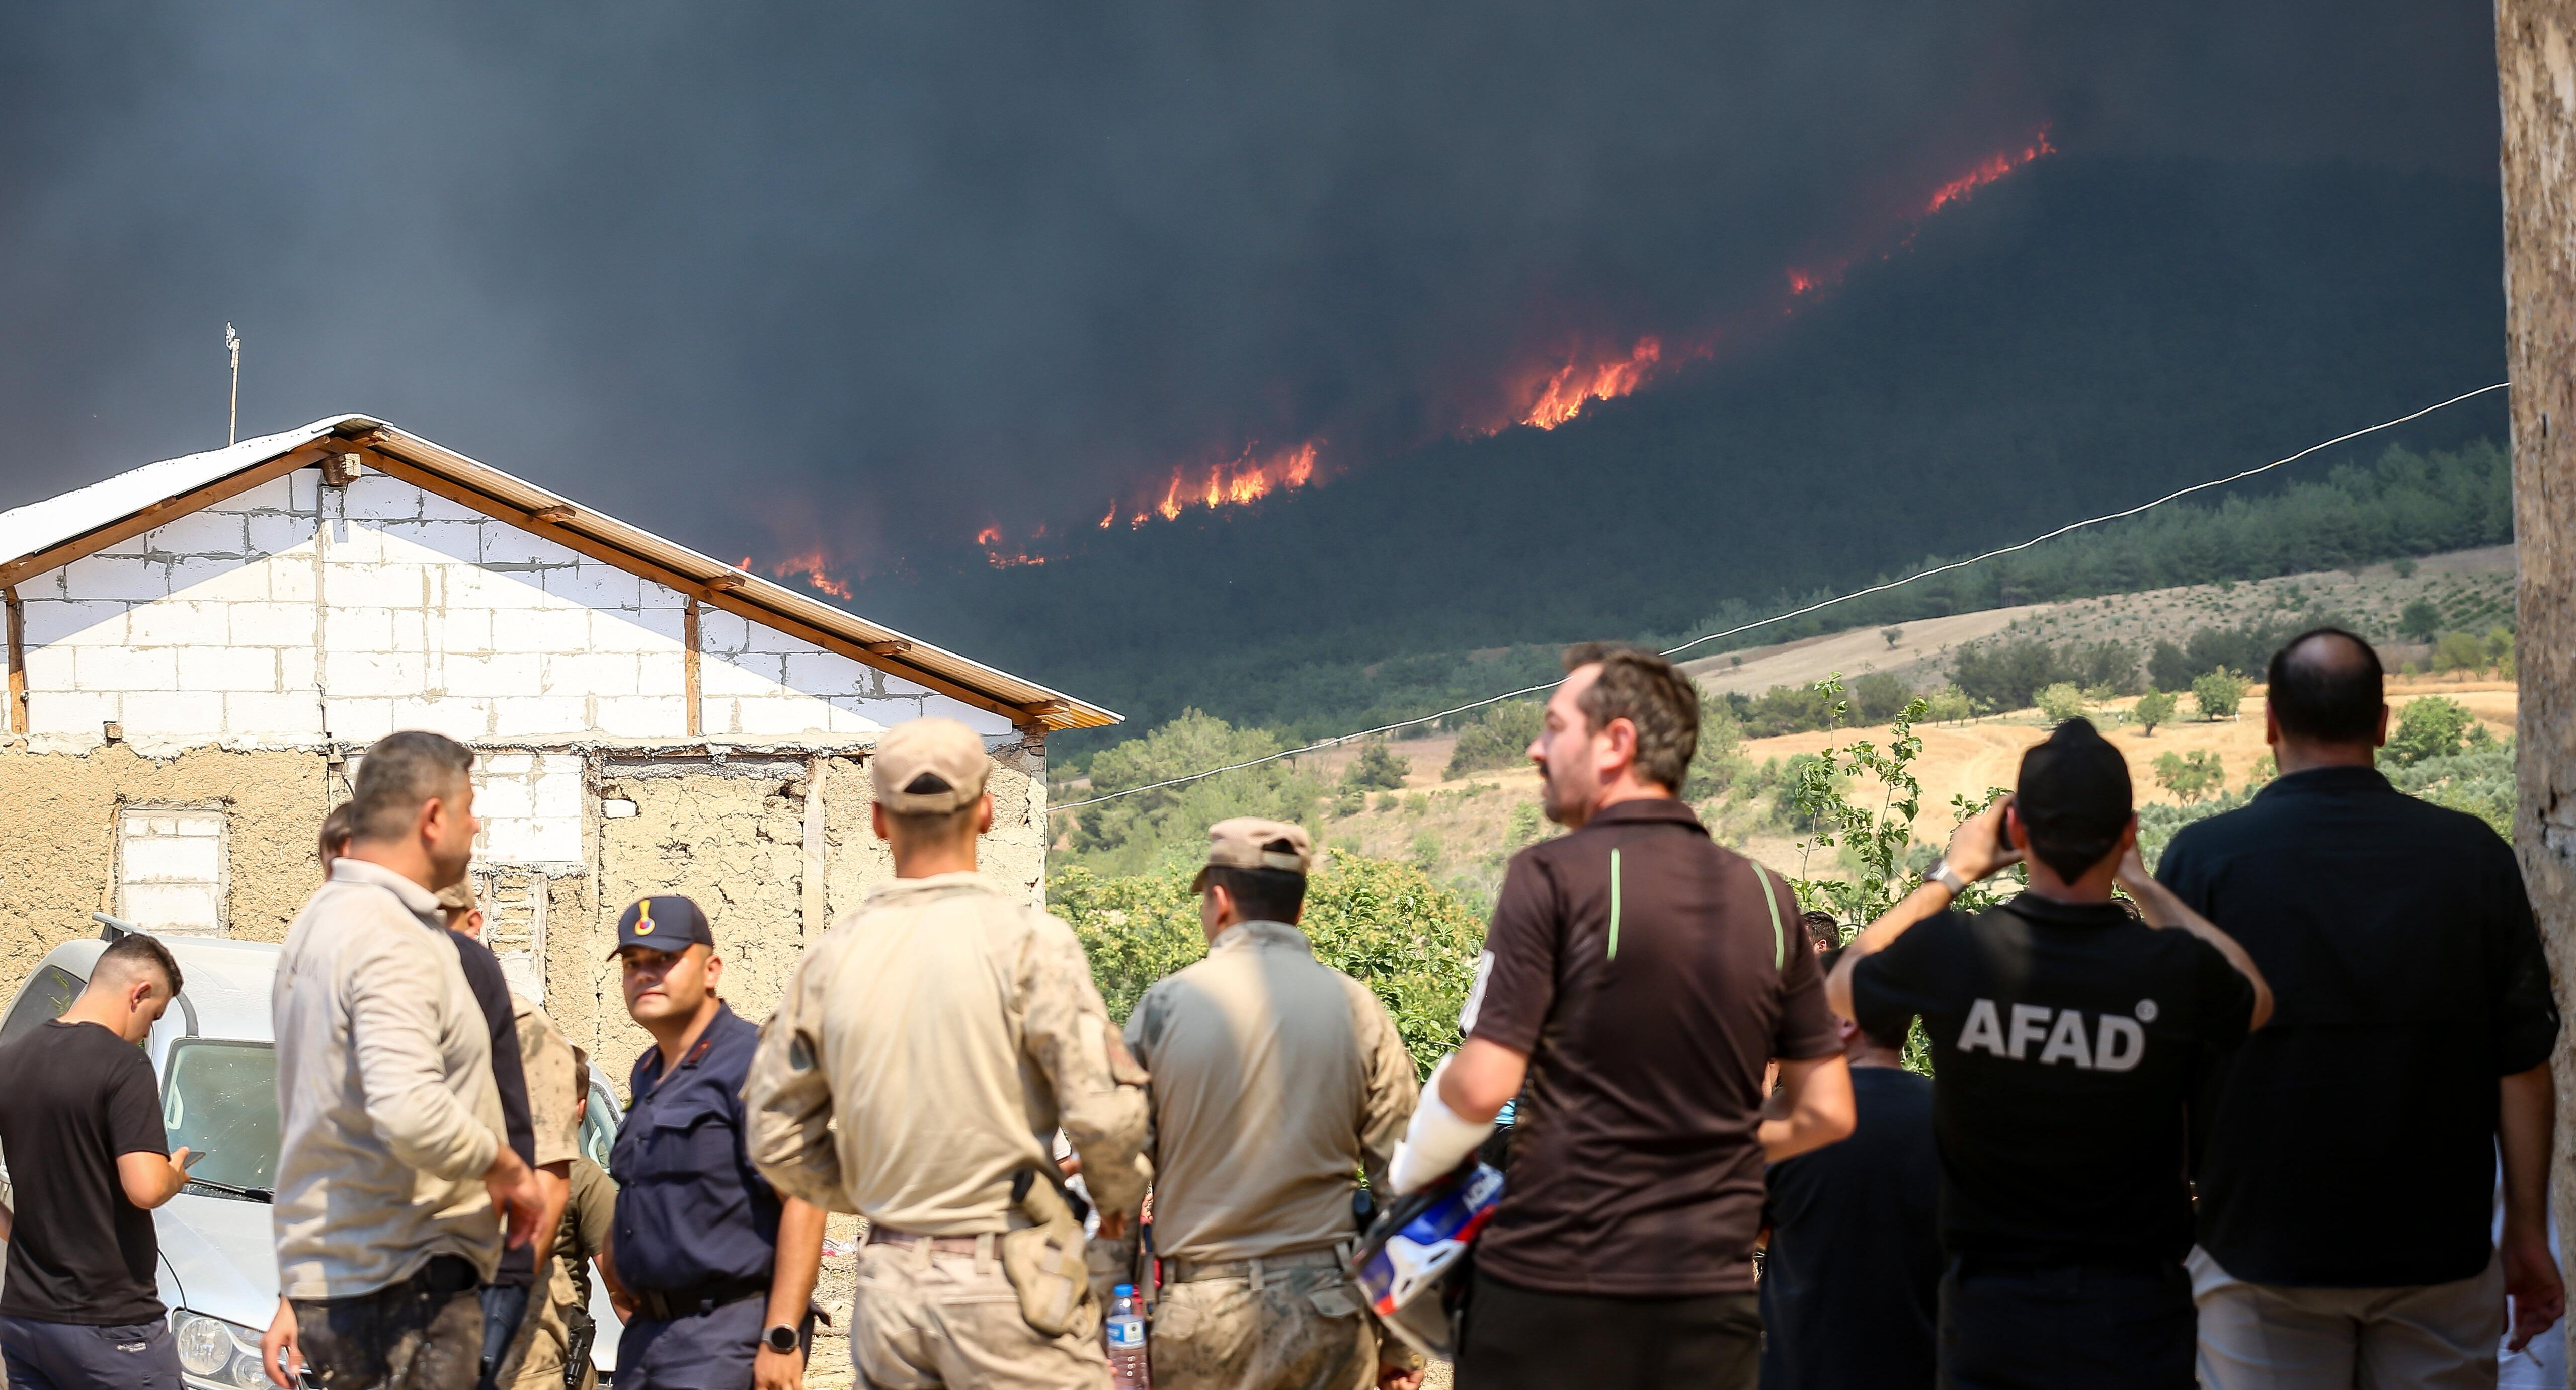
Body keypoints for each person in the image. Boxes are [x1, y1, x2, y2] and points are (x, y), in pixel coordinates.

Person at [1390, 644, 1855, 1390]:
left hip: (1557, 1296)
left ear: (1616, 743)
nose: (1536, 748)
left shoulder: (1550, 876)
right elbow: (1829, 1110)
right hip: (1710, 1300)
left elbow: (1481, 1087)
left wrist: (1410, 1173)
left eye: (1552, 726)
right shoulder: (1770, 897)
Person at [2155, 628, 2564, 1386]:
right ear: (2383, 722)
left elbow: (2169, 1069)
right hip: (2438, 1250)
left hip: (2260, 1250)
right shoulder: (2473, 856)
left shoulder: (2203, 861)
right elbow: (2522, 1065)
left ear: (2271, 722)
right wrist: (2530, 1234)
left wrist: (2173, 1229)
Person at [1826, 718, 2275, 1390]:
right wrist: (2146, 883)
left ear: (2019, 831)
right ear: (2127, 829)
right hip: (2135, 1318)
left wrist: (1953, 873)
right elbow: (2258, 997)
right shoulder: (2168, 966)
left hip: (1991, 1314)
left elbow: (1838, 986)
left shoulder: (1955, 952)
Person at [744, 716, 1152, 1390]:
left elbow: (775, 1138)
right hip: (1007, 1277)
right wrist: (1115, 1194)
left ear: (878, 818)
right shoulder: (1031, 944)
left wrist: (884, 1191)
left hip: (889, 1287)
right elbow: (1104, 1117)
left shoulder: (832, 959)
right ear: (987, 809)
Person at [262, 731, 546, 1390]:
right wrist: (508, 1171)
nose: (477, 825)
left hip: (357, 1273)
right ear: (432, 817)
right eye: (471, 806)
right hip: (404, 1282)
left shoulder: (322, 919)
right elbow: (409, 1108)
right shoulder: (389, 936)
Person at [1117, 818, 1423, 1390]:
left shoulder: (1164, 1008)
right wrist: (1400, 1345)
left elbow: (1119, 1176)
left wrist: (1112, 1319)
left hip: (1200, 1318)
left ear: (1220, 900)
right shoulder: (1358, 1010)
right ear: (1299, 910)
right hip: (1326, 1314)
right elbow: (1403, 1187)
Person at [601, 894, 827, 1390]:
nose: (645, 975)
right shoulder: (647, 1073)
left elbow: (804, 1198)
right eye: (633, 964)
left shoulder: (751, 1061)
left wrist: (781, 1334)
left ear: (711, 970)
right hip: (649, 1336)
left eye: (665, 960)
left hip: (726, 1334)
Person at [0, 934, 192, 1390]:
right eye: (155, 1016)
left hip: (27, 1321)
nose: (147, 1031)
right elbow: (144, 1188)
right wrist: (173, 1175)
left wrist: (18, 1230)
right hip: (110, 1324)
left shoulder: (11, 1058)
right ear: (139, 993)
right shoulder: (124, 1064)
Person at [1757, 947, 1940, 1390]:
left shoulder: (1791, 1117)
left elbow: (1740, 1225)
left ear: (1844, 1024)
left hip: (1801, 1370)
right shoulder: (1957, 1118)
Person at [440, 888, 585, 1390]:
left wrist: (488, 1321)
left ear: (472, 923)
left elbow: (546, 1187)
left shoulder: (521, 1029)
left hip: (507, 1325)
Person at [430, 882, 546, 1390]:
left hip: (488, 1269)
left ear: (472, 924)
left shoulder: (522, 1029)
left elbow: (548, 1173)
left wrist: (513, 1275)